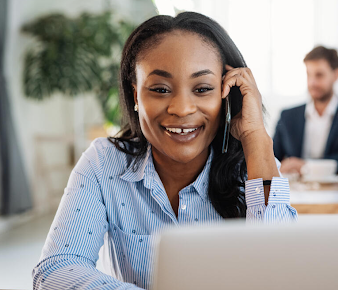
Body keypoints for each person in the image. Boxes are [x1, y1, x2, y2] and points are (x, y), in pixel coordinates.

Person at [32, 12, 297, 289]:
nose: (182, 109)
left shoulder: (255, 166)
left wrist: (257, 138)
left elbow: (282, 275)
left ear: (226, 93)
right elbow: (55, 271)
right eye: (160, 89)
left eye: (203, 88)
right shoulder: (104, 163)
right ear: (136, 95)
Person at [273, 46, 338, 174]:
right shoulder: (287, 116)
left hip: (337, 190)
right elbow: (272, 158)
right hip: (295, 191)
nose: (312, 82)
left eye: (319, 75)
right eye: (309, 74)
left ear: (336, 75)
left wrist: (304, 166)